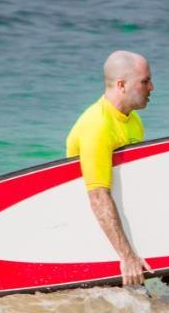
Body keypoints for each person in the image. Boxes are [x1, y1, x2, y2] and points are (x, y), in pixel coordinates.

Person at [66, 51, 154, 286]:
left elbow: (132, 188)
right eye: (145, 81)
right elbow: (97, 195)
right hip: (97, 240)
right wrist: (127, 257)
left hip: (120, 233)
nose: (152, 87)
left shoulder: (133, 120)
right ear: (122, 85)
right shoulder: (98, 125)